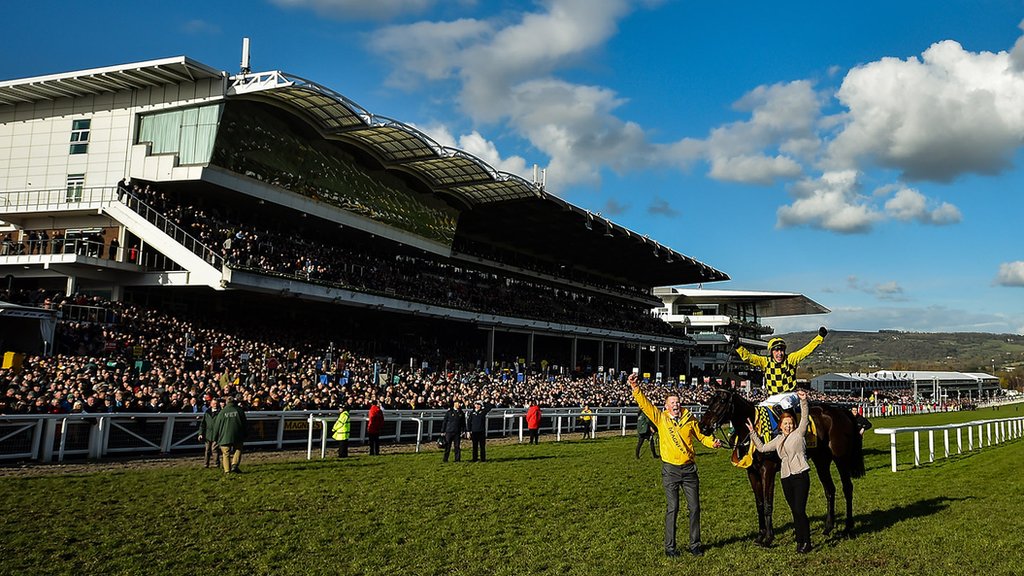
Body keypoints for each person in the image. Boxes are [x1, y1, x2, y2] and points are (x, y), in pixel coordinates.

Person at [628, 372, 722, 557]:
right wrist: (635, 388)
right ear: (666, 406)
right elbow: (645, 405)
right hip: (670, 470)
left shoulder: (690, 419)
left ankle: (695, 545)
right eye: (672, 402)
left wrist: (713, 443)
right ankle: (670, 548)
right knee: (673, 508)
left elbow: (701, 436)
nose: (676, 404)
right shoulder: (660, 418)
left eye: (678, 402)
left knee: (694, 508)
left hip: (689, 470)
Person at [745, 389, 813, 553]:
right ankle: (799, 540)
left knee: (799, 510)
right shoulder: (777, 440)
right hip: (786, 478)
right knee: (794, 511)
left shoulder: (799, 433)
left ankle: (806, 541)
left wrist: (803, 401)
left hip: (800, 475)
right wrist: (753, 433)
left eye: (790, 423)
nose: (789, 426)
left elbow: (804, 417)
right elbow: (761, 448)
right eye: (785, 424)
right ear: (780, 426)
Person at [734, 327, 827, 411]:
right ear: (771, 352)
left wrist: (820, 337)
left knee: (785, 403)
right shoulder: (765, 362)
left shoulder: (791, 359)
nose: (780, 353)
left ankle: (791, 428)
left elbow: (806, 350)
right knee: (759, 409)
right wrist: (738, 347)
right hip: (773, 397)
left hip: (790, 395)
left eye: (781, 350)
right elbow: (749, 357)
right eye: (776, 350)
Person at [211, 396, 247, 474]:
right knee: (238, 449)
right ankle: (234, 464)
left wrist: (215, 437)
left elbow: (217, 426)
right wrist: (246, 434)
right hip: (237, 435)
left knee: (226, 453)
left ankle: (227, 470)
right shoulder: (239, 410)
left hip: (224, 436)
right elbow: (245, 424)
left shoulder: (222, 412)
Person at [198, 397, 220, 469]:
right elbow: (203, 424)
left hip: (217, 434)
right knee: (207, 450)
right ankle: (206, 464)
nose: (215, 405)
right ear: (211, 404)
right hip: (208, 434)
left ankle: (216, 464)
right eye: (213, 403)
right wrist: (200, 433)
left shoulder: (220, 412)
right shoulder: (207, 413)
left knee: (214, 449)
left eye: (216, 404)